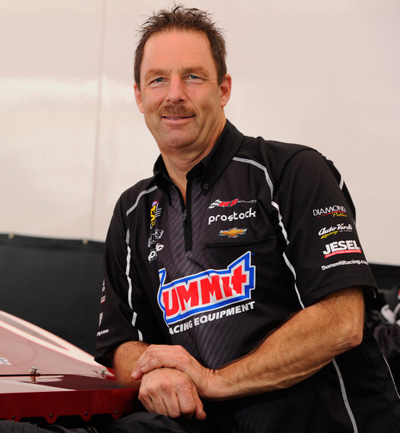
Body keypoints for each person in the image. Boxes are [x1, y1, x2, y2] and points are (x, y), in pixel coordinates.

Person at [94, 5, 400, 433]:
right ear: (139, 95)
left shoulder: (292, 171)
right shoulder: (132, 212)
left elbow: (341, 322)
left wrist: (214, 381)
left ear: (223, 89)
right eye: (158, 79)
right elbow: (119, 344)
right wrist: (153, 370)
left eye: (193, 76)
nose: (174, 94)